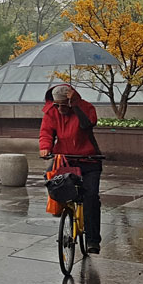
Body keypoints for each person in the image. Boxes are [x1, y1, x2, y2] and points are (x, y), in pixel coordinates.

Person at [39, 84, 102, 254]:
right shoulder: (51, 112)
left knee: (91, 197)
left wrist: (76, 105)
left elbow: (87, 124)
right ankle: (59, 208)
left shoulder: (86, 108)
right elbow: (46, 132)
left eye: (63, 105)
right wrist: (45, 147)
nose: (60, 109)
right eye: (57, 105)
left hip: (89, 160)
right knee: (51, 180)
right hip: (64, 159)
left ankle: (92, 240)